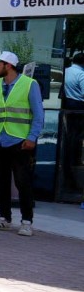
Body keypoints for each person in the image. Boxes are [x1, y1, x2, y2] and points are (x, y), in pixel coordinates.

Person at [0, 50, 44, 236]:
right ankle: (4, 219)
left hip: (20, 141)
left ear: (8, 66)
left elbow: (38, 114)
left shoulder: (29, 84)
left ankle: (27, 221)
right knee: (1, 181)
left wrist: (32, 137)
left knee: (22, 182)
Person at [62, 51, 84, 198]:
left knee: (71, 137)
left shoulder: (67, 71)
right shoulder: (81, 74)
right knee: (77, 138)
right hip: (79, 108)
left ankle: (72, 159)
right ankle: (74, 161)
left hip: (69, 105)